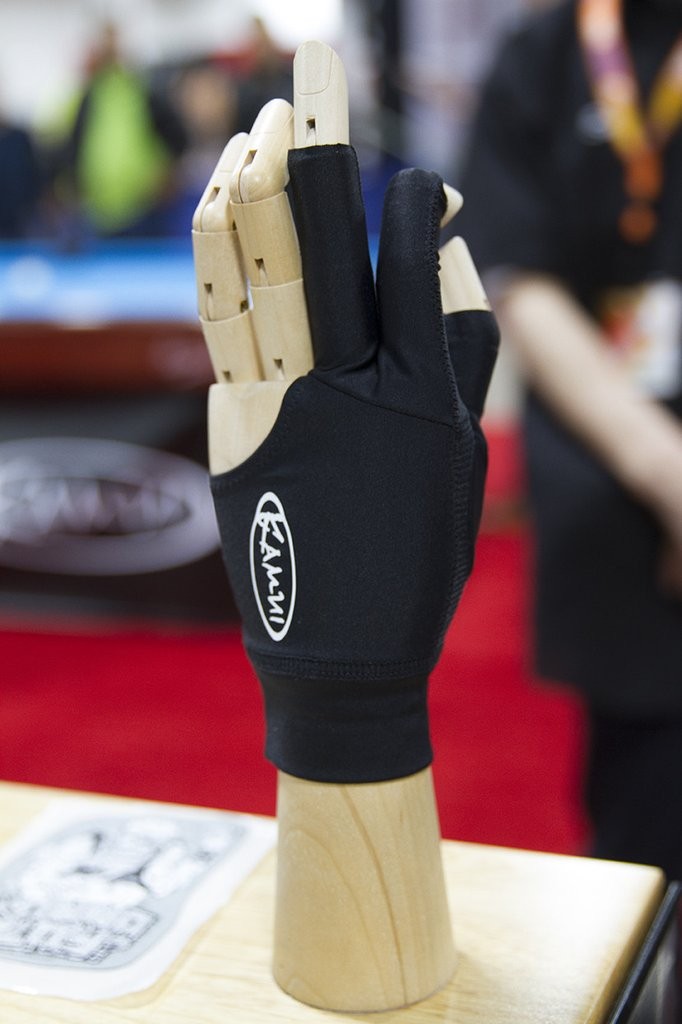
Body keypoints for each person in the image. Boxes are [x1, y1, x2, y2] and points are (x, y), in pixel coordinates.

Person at [456, 0, 682, 879]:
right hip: (613, 467)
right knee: (645, 814)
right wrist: (663, 470)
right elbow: (520, 276)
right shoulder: (542, 56)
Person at [59, 22, 186, 237]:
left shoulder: (143, 92)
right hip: (97, 212)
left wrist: (167, 174)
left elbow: (177, 137)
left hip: (144, 208)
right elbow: (74, 146)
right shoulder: (89, 96)